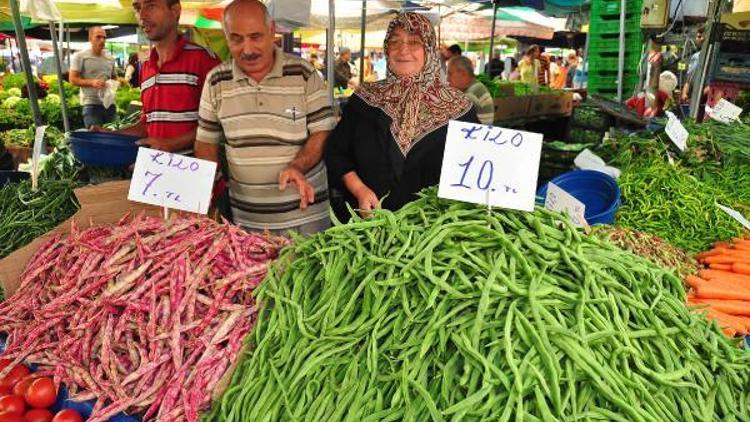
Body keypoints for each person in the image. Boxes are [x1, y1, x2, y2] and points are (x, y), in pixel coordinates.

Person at [196, 0, 336, 235]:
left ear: (272, 31)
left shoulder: (304, 74)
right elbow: (206, 143)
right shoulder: (215, 82)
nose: (247, 49)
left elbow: (323, 132)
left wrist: (297, 166)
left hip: (305, 216)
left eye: (255, 36)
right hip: (247, 221)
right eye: (236, 39)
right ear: (226, 36)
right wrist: (202, 193)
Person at [325, 12, 478, 221]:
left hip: (433, 236)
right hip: (366, 227)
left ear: (430, 49)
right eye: (395, 42)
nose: (403, 50)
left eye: (414, 42)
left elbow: (477, 172)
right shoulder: (365, 99)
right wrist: (360, 190)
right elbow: (336, 152)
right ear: (386, 48)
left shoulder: (459, 109)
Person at [99, 0, 220, 153]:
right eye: (137, 8)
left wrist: (173, 144)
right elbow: (147, 124)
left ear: (175, 10)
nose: (142, 15)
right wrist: (111, 135)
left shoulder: (204, 59)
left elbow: (221, 120)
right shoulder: (146, 68)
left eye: (151, 5)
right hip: (158, 173)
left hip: (197, 172)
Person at [69, 27, 117, 128]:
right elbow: (72, 79)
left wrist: (112, 84)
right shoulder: (80, 56)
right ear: (90, 38)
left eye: (104, 37)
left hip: (110, 104)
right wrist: (92, 82)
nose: (102, 40)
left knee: (113, 136)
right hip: (91, 104)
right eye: (98, 37)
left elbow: (114, 78)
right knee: (96, 138)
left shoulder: (110, 58)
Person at [447, 56, 494, 125]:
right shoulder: (476, 85)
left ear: (463, 74)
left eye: (450, 74)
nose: (448, 79)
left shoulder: (471, 95)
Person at [681, 26, 705, 104]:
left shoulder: (710, 57)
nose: (697, 39)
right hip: (694, 97)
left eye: (699, 37)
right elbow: (689, 79)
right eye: (697, 37)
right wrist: (684, 94)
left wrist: (698, 96)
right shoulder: (695, 57)